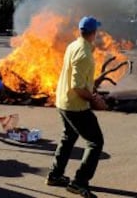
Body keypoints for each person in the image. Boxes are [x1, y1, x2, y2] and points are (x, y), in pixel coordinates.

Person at [45, 16, 106, 198]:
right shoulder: (84, 54)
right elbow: (77, 86)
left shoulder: (73, 45)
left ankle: (55, 175)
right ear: (94, 33)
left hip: (63, 101)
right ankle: (79, 182)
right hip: (75, 105)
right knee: (95, 142)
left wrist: (92, 90)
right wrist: (94, 99)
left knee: (68, 137)